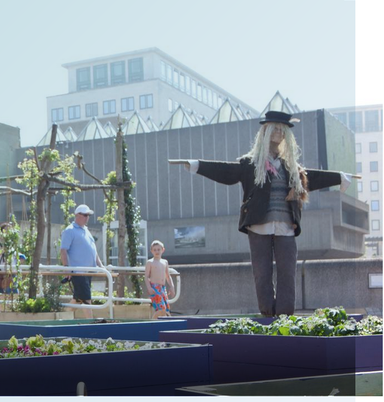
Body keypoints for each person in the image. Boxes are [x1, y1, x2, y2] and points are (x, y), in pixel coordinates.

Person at [170, 110, 351, 316]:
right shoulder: (250, 164)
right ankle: (267, 314)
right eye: (274, 129)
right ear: (265, 132)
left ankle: (284, 317)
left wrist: (339, 177)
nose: (279, 134)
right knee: (261, 273)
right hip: (258, 224)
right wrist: (198, 165)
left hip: (286, 226)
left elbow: (314, 178)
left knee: (287, 273)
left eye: (282, 130)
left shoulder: (291, 167)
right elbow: (227, 172)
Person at [60, 204, 104, 316]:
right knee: (86, 299)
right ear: (77, 215)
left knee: (79, 299)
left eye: (88, 215)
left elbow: (94, 251)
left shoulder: (86, 230)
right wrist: (66, 268)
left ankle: (62, 317)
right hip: (78, 272)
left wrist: (101, 267)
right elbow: (63, 250)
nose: (87, 217)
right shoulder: (69, 230)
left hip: (87, 271)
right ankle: (90, 324)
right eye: (85, 215)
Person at [144, 240, 175, 319]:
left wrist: (171, 287)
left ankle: (160, 323)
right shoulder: (150, 262)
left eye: (158, 249)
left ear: (162, 250)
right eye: (154, 250)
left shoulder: (165, 262)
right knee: (161, 308)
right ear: (151, 251)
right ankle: (152, 323)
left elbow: (168, 276)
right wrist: (149, 288)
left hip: (162, 288)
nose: (157, 251)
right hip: (154, 287)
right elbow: (146, 276)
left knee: (166, 309)